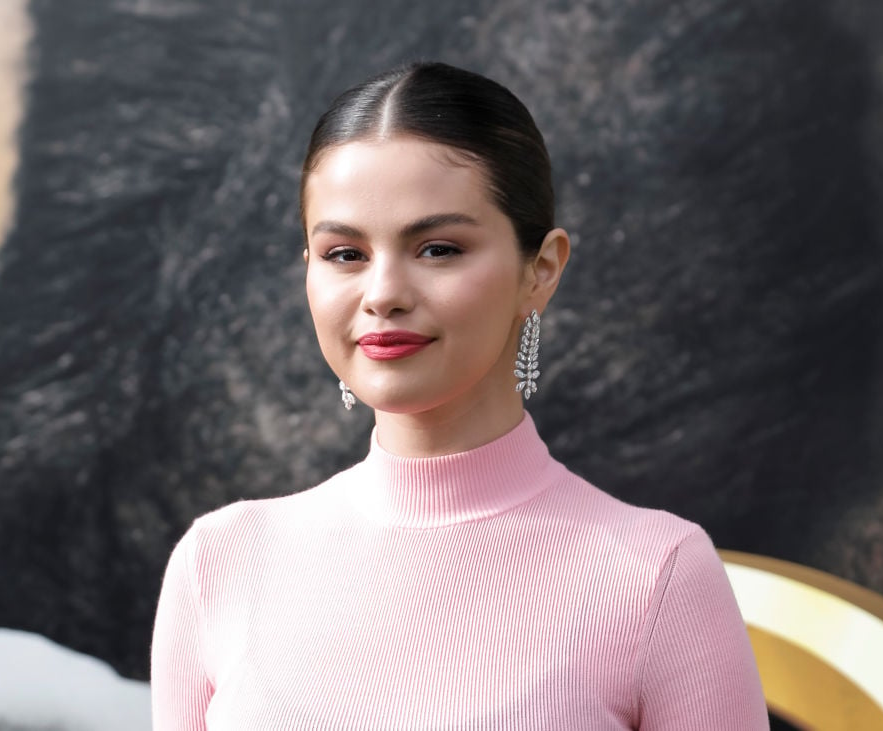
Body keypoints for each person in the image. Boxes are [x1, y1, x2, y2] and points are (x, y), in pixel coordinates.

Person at [150, 61, 768, 730]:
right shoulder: (220, 563)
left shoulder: (654, 575)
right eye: (344, 253)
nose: (383, 292)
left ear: (542, 269)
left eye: (438, 248)